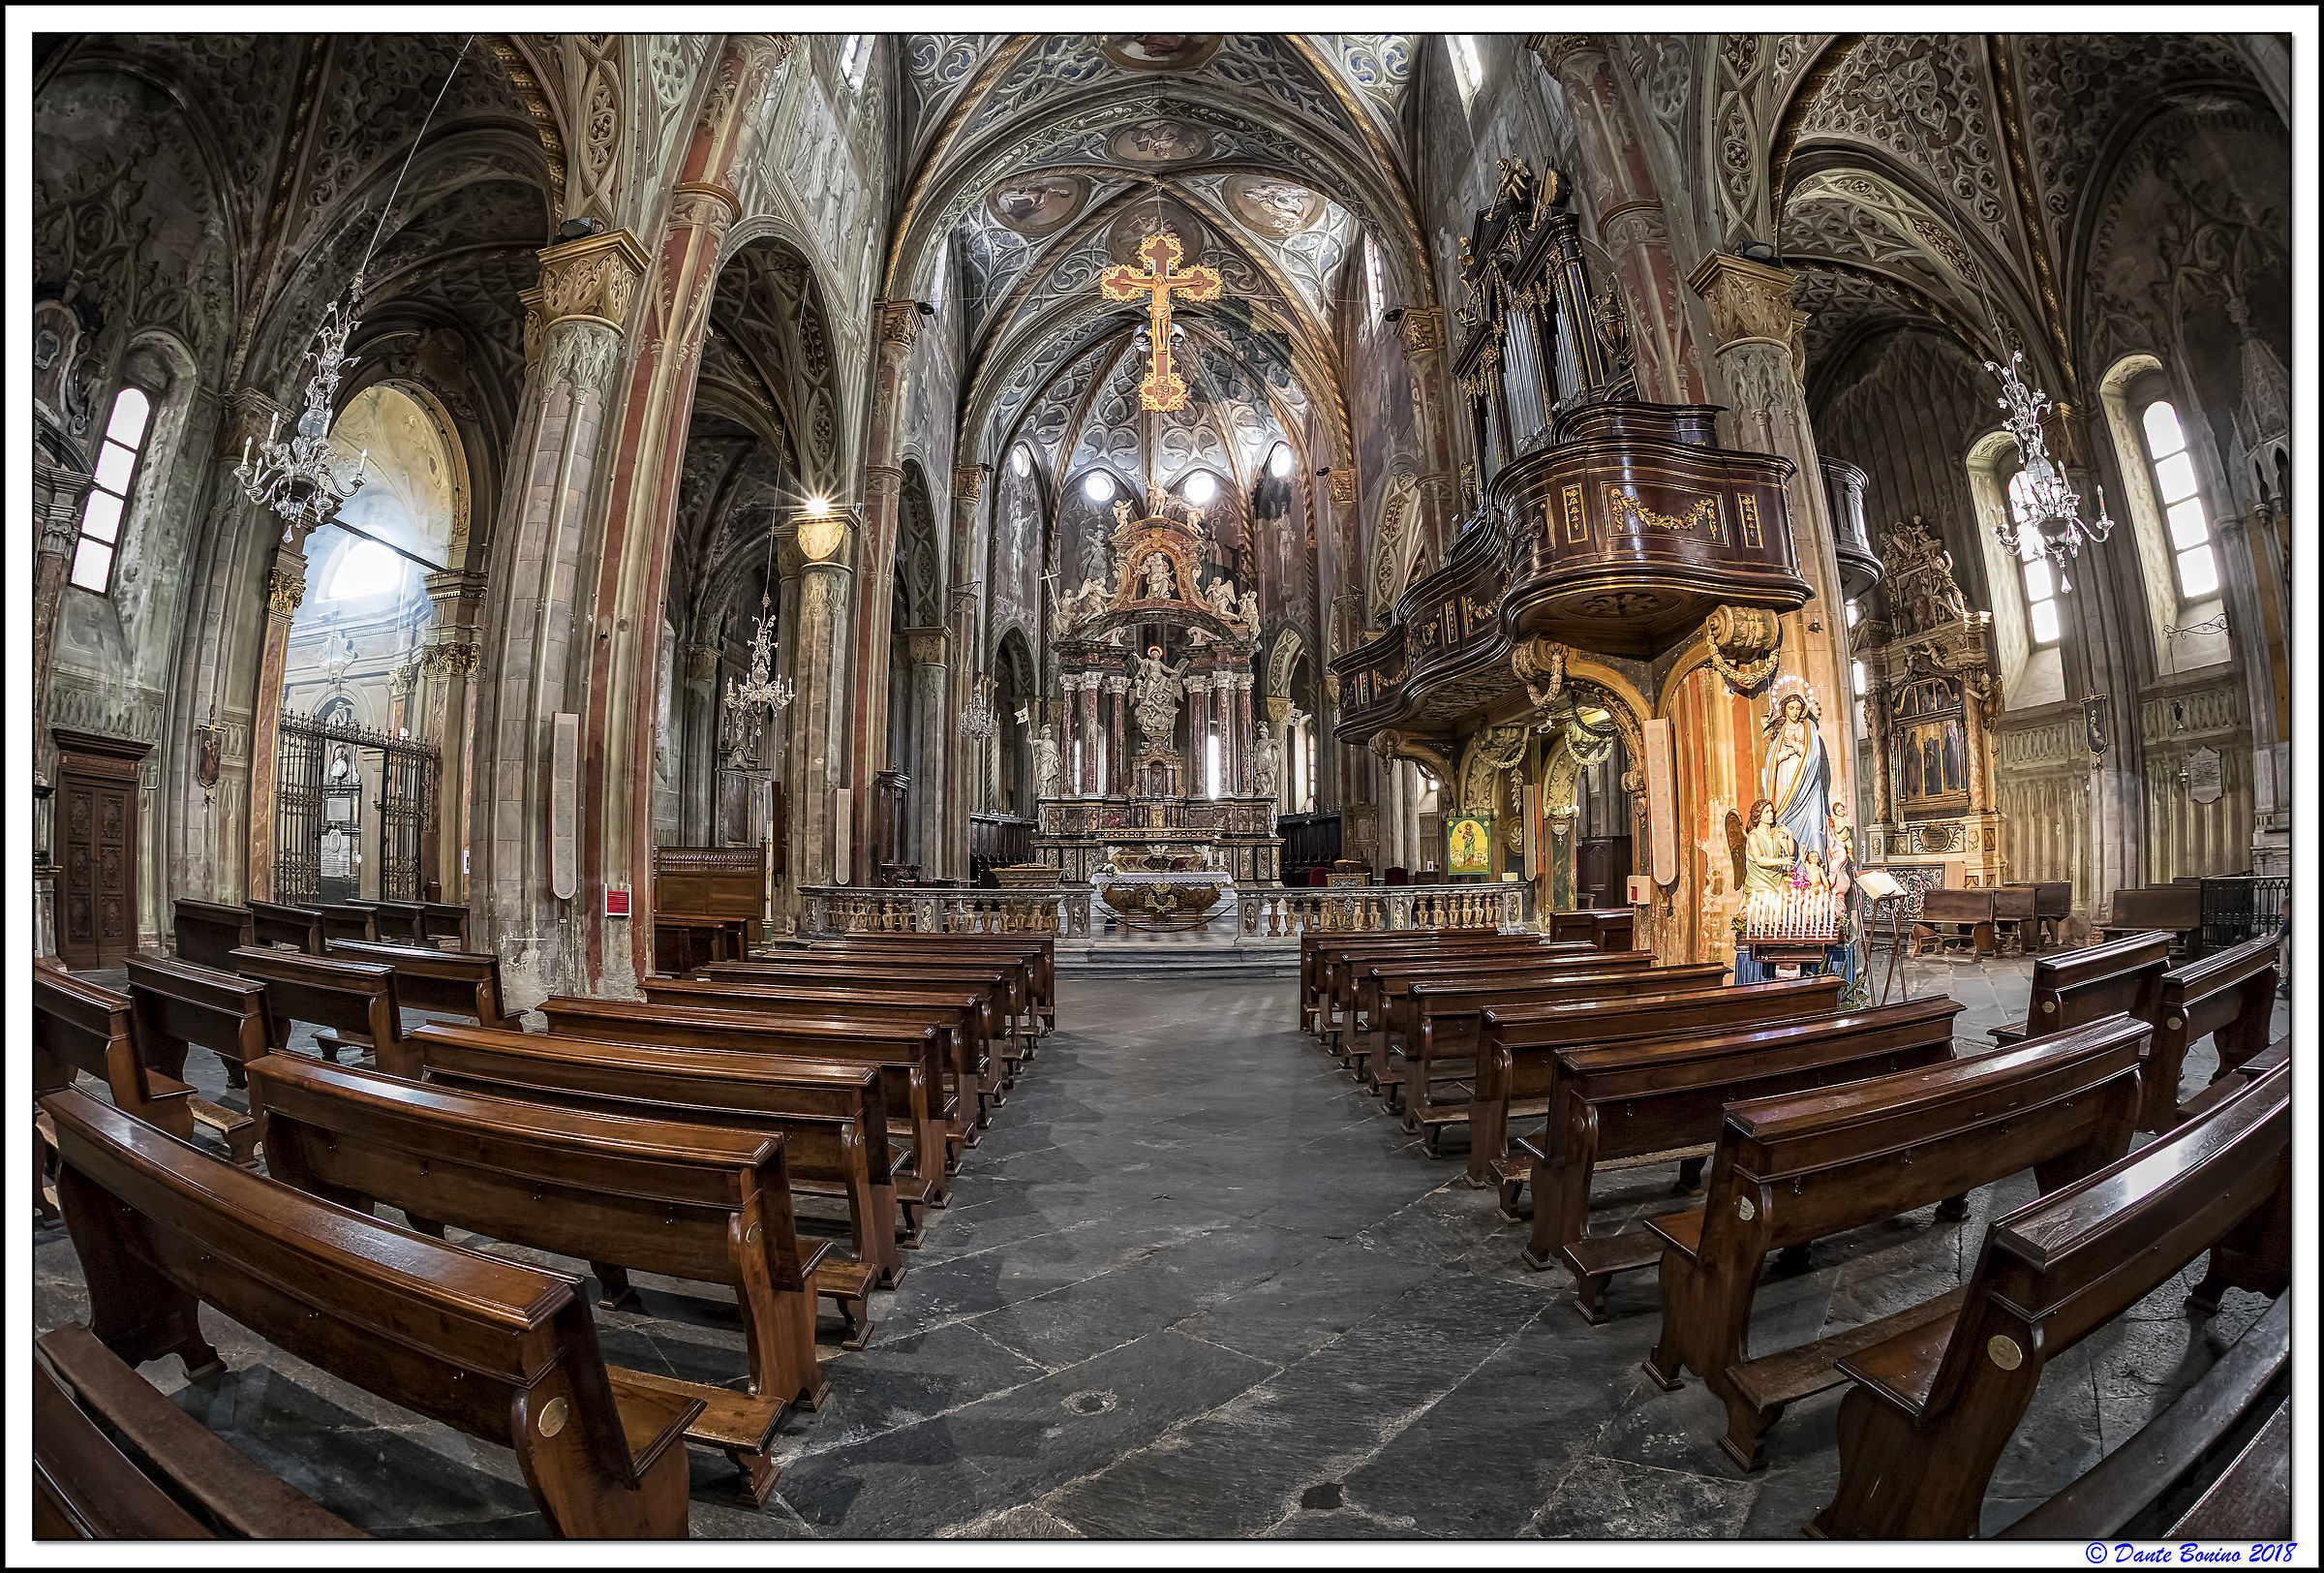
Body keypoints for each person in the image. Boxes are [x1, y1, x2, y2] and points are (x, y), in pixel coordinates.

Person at [1741, 797, 1795, 895]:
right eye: (1766, 812)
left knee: (1788, 901)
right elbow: (1760, 860)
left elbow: (1789, 852)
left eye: (1771, 811)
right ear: (1759, 816)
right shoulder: (1753, 836)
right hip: (1759, 881)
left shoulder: (1777, 832)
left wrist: (1790, 835)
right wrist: (1782, 861)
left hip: (1776, 878)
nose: (1771, 814)